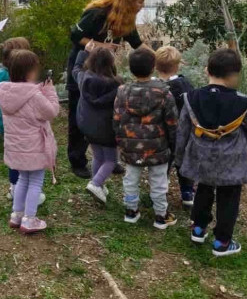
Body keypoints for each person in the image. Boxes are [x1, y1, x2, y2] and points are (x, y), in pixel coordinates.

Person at [176, 48, 247, 257]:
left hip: (201, 159)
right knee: (228, 198)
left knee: (203, 189)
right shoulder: (242, 102)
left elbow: (183, 130)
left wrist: (179, 158)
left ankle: (198, 229)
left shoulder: (191, 98)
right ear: (234, 76)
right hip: (231, 163)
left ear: (206, 70)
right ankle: (222, 242)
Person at [67, 0, 148, 178]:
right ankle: (77, 160)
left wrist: (159, 57)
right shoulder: (98, 13)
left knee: (107, 116)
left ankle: (108, 158)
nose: (142, 6)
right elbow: (75, 35)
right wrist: (100, 46)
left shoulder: (126, 19)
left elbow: (137, 44)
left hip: (105, 73)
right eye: (139, 2)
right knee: (79, 115)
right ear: (128, 1)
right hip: (83, 69)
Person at [113, 47, 178, 230]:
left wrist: (120, 140)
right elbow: (172, 122)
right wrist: (174, 145)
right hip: (157, 147)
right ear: (153, 67)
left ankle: (131, 211)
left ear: (131, 68)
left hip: (130, 146)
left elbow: (116, 119)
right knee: (158, 182)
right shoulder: (164, 92)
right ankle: (161, 215)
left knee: (131, 178)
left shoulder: (122, 91)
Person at [0, 50, 60, 235]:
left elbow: (28, 99)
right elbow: (52, 111)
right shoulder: (34, 95)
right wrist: (49, 91)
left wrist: (40, 90)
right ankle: (30, 219)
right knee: (35, 181)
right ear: (30, 72)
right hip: (34, 149)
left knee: (22, 178)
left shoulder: (5, 92)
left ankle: (16, 215)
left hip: (16, 149)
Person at [0, 37, 43, 206]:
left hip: (7, 124)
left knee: (14, 160)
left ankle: (13, 188)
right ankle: (27, 194)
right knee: (26, 162)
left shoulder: (1, 76)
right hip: (25, 129)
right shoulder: (25, 84)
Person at [73, 44, 122, 205]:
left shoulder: (84, 78)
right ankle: (95, 183)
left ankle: (98, 184)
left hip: (87, 126)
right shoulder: (116, 85)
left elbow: (75, 69)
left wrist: (84, 52)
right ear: (110, 64)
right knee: (111, 160)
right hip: (106, 130)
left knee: (98, 156)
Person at [154, 45, 197, 206]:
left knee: (162, 164)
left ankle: (159, 191)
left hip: (160, 134)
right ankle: (187, 193)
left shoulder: (153, 86)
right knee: (183, 163)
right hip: (182, 133)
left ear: (156, 66)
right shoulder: (184, 85)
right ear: (177, 65)